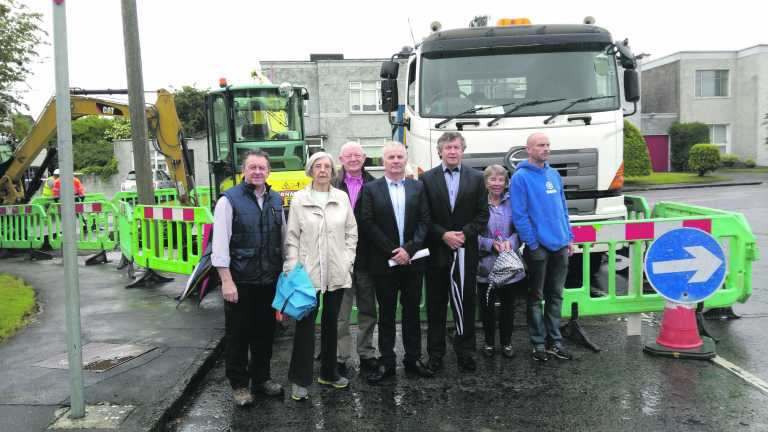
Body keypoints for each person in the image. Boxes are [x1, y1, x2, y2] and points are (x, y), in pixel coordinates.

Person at [212, 150, 285, 407]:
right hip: (240, 282)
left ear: (268, 172)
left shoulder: (276, 199)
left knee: (265, 334)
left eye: (262, 168)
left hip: (269, 280)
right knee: (238, 336)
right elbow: (219, 245)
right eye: (252, 167)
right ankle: (240, 385)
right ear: (244, 170)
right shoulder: (228, 201)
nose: (257, 172)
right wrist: (226, 280)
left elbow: (282, 240)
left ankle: (261, 379)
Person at [284, 151, 358, 401]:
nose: (323, 170)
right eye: (318, 166)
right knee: (305, 326)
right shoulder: (299, 199)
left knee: (331, 323)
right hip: (307, 275)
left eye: (327, 166)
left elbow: (351, 233)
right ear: (310, 170)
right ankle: (300, 380)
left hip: (336, 271)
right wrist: (293, 268)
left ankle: (329, 372)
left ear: (333, 171)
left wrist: (347, 260)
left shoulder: (341, 198)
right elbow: (292, 237)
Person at [359, 141, 434, 383]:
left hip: (413, 262)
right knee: (387, 314)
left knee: (412, 311)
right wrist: (394, 251)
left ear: (405, 159)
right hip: (384, 263)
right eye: (390, 157)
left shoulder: (417, 187)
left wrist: (409, 250)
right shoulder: (371, 189)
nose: (395, 161)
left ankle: (413, 358)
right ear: (383, 162)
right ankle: (387, 361)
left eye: (400, 157)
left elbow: (425, 221)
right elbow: (368, 223)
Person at [420, 132, 489, 373]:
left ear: (463, 150)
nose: (452, 151)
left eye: (456, 147)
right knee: (436, 304)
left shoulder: (477, 178)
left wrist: (464, 234)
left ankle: (466, 352)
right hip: (438, 251)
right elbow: (424, 217)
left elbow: (483, 215)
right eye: (447, 147)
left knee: (466, 303)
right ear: (440, 151)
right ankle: (436, 355)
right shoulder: (427, 179)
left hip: (465, 250)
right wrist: (443, 235)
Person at [510, 132, 574, 362]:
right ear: (528, 149)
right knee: (535, 297)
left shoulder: (554, 174)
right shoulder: (520, 178)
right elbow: (519, 214)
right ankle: (538, 343)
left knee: (555, 295)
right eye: (540, 145)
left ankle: (554, 342)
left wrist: (569, 238)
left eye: (548, 144)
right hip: (538, 248)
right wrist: (533, 243)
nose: (546, 148)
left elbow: (563, 209)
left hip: (560, 245)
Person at [332, 141, 379, 376]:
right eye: (348, 155)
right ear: (340, 159)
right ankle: (341, 357)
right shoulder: (331, 185)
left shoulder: (375, 184)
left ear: (364, 158)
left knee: (368, 309)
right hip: (339, 258)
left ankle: (367, 353)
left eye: (357, 155)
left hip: (367, 258)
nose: (353, 159)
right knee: (341, 312)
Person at [477, 164, 525, 359]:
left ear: (506, 182)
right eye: (492, 179)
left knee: (508, 307)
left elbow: (521, 229)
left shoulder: (514, 203)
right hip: (485, 265)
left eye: (501, 179)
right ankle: (488, 343)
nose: (497, 183)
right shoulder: (477, 204)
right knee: (486, 307)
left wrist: (510, 243)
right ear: (485, 182)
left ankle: (506, 343)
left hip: (510, 265)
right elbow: (471, 233)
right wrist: (489, 244)